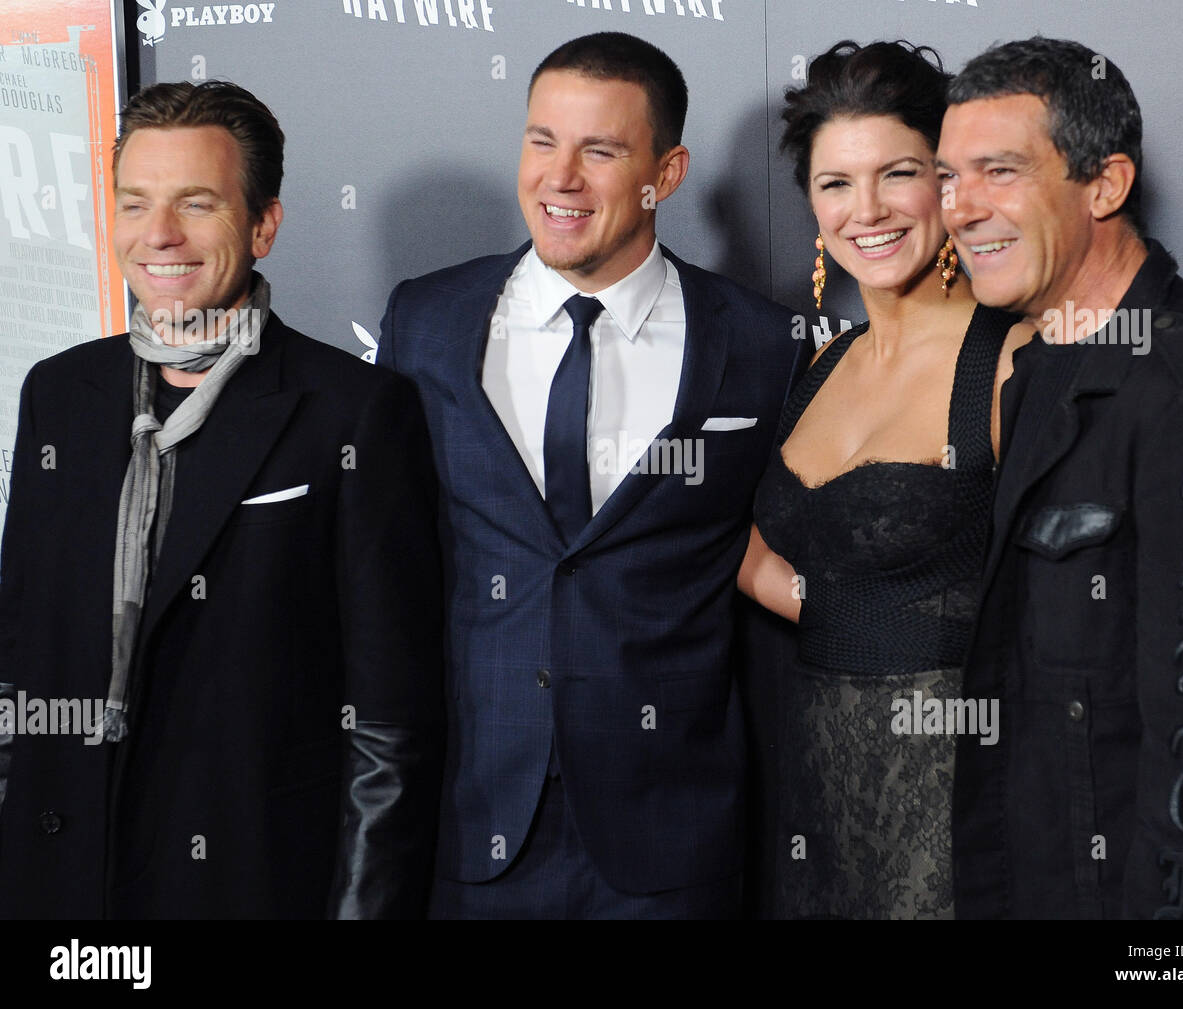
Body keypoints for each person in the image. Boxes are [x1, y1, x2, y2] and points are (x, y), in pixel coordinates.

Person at [379, 31, 805, 919]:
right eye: (542, 141)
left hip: (674, 840)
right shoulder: (427, 319)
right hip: (472, 826)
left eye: (601, 150)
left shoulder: (762, 345)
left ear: (668, 171)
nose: (560, 178)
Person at [0, 81, 443, 919]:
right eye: (136, 203)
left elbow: (390, 728)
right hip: (61, 882)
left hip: (249, 880)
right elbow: (20, 649)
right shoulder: (57, 393)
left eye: (196, 204)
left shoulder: (351, 410)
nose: (158, 236)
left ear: (264, 224)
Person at [938, 36, 1183, 919]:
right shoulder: (1036, 362)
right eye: (949, 176)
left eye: (1000, 171)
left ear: (1105, 185)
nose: (961, 208)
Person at [737, 40, 1030, 919]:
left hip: (958, 812)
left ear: (946, 182)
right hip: (807, 804)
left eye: (897, 173)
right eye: (835, 184)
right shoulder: (823, 364)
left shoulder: (1014, 359)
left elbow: (1063, 610)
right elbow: (749, 555)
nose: (866, 209)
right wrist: (850, 614)